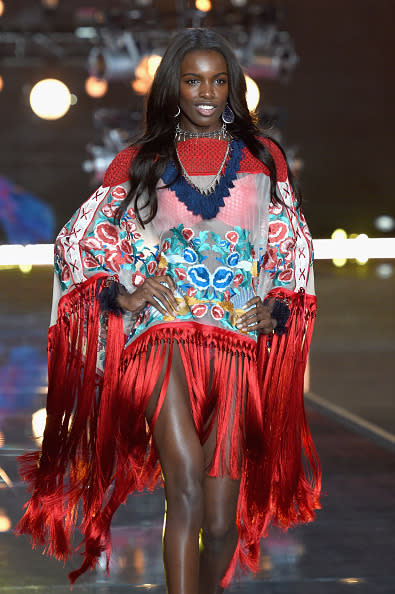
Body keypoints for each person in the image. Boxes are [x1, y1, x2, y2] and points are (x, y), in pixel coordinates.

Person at [16, 28, 321, 594]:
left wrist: (276, 303)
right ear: (174, 87)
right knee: (182, 489)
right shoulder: (141, 159)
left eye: (218, 80)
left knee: (221, 522)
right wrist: (123, 294)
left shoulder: (263, 156)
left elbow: (291, 242)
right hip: (163, 338)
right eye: (193, 80)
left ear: (232, 87)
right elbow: (79, 239)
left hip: (235, 345)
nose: (206, 91)